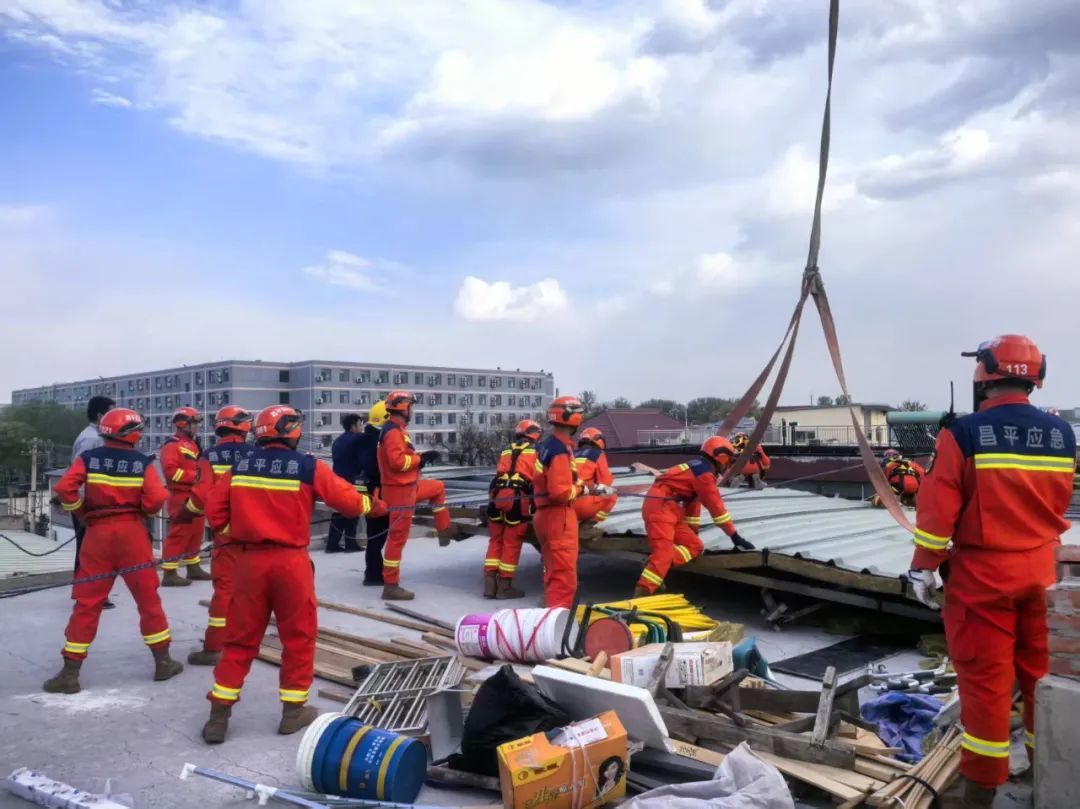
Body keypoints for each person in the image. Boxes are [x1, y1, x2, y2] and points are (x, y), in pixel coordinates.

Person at [907, 335, 1075, 808]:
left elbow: (938, 513)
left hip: (984, 577)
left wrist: (924, 568)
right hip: (1045, 572)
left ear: (984, 374)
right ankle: (1051, 784)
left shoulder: (961, 434)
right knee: (1042, 680)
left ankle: (979, 795)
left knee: (986, 687)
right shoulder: (1062, 435)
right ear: (1036, 376)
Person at [200, 405, 384, 744]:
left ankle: (218, 716)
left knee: (239, 641)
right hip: (290, 565)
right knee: (298, 639)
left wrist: (235, 533)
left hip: (247, 563)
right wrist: (375, 506)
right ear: (292, 431)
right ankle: (292, 712)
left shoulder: (239, 466)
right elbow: (346, 500)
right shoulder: (307, 467)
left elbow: (214, 509)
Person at [44, 408, 183, 693]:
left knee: (88, 604)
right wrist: (141, 510)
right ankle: (163, 662)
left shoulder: (89, 459)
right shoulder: (141, 462)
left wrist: (82, 512)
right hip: (132, 535)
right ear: (131, 433)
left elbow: (65, 489)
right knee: (148, 601)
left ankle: (70, 673)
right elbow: (157, 497)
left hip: (98, 536)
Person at [634, 436, 754, 597]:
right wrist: (734, 536)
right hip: (660, 509)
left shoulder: (697, 468)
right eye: (729, 460)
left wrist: (692, 531)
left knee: (694, 546)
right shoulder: (704, 475)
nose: (728, 465)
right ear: (722, 457)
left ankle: (654, 565)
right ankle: (642, 594)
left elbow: (693, 504)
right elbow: (717, 509)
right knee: (663, 554)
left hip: (671, 510)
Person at [183, 405, 255, 666]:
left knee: (225, 589)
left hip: (226, 533)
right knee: (258, 588)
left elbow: (201, 496)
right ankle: (249, 638)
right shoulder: (258, 454)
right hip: (257, 532)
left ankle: (214, 648)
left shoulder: (209, 455)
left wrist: (187, 511)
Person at [377, 391, 452, 601]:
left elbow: (404, 457)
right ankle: (390, 585)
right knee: (397, 539)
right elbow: (397, 462)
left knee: (438, 487)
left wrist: (421, 457)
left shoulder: (398, 430)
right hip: (399, 491)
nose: (413, 411)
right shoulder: (392, 432)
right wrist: (421, 460)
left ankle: (444, 530)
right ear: (404, 408)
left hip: (408, 487)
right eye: (411, 407)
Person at [533, 396, 588, 609]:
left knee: (552, 570)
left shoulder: (548, 445)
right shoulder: (559, 451)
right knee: (564, 577)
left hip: (544, 515)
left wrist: (576, 482)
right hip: (559, 517)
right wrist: (582, 488)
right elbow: (560, 493)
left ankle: (550, 615)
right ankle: (557, 625)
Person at [484, 419, 541, 600]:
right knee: (511, 542)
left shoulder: (506, 450)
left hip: (497, 497)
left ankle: (489, 585)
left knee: (495, 540)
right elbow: (538, 480)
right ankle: (505, 587)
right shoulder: (536, 452)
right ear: (534, 434)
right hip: (518, 499)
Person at [70, 395, 116, 609]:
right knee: (88, 551)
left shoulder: (97, 436)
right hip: (87, 504)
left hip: (93, 503)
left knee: (94, 551)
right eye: (111, 412)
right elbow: (80, 476)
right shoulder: (91, 439)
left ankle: (93, 593)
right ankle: (85, 595)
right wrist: (83, 509)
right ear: (100, 415)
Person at [160, 406, 208, 586]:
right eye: (193, 423)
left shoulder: (192, 443)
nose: (196, 427)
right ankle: (170, 573)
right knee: (179, 534)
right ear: (182, 424)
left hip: (195, 495)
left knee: (195, 532)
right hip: (180, 496)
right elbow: (171, 472)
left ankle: (193, 568)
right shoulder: (172, 446)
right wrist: (196, 477)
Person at [359, 401, 391, 586]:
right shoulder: (379, 441)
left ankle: (372, 571)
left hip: (366, 492)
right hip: (378, 492)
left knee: (373, 535)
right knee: (377, 536)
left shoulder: (363, 438)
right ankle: (373, 574)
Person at [326, 413, 365, 553]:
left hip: (337, 480)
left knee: (338, 513)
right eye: (360, 424)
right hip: (353, 480)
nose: (362, 427)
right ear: (353, 426)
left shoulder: (337, 441)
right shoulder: (358, 439)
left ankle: (332, 545)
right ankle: (350, 544)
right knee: (353, 511)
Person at [572, 427, 618, 540]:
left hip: (566, 501)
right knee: (612, 496)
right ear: (599, 440)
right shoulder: (598, 454)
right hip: (581, 505)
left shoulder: (572, 455)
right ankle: (585, 528)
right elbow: (605, 483)